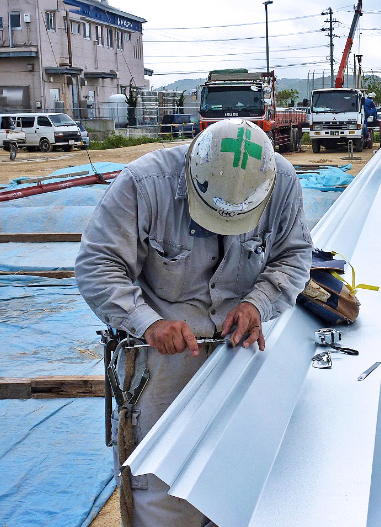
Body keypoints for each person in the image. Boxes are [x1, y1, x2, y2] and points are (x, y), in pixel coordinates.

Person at [75, 119, 313, 527]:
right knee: (161, 479)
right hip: (162, 354)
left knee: (239, 469)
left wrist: (258, 303)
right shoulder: (144, 184)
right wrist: (146, 321)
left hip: (241, 344)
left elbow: (294, 256)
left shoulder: (279, 181)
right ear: (191, 173)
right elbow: (98, 265)